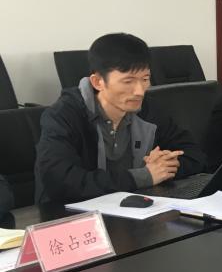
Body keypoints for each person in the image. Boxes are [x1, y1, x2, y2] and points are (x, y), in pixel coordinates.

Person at [34, 33, 205, 207]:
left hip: (134, 211)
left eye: (145, 79)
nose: (139, 91)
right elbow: (61, 181)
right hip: (71, 215)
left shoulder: (148, 110)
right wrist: (144, 176)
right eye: (128, 81)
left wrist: (166, 165)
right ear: (98, 82)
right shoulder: (63, 116)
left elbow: (195, 155)